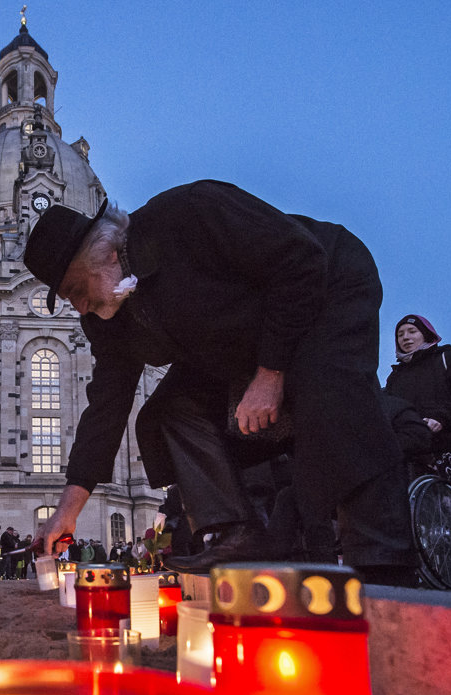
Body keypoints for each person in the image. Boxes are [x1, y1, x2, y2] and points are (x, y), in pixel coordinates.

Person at [25, 181, 415, 585]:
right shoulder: (106, 319)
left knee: (329, 391)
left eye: (75, 290)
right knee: (168, 412)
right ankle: (235, 533)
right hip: (242, 342)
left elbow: (299, 259)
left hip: (324, 283)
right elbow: (106, 405)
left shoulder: (191, 212)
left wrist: (269, 374)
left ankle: (380, 559)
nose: (80, 307)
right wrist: (66, 511)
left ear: (104, 251)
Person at [384, 315, 451, 455]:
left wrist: (441, 417)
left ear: (426, 334)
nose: (405, 337)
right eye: (400, 334)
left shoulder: (450, 359)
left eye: (412, 331)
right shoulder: (395, 377)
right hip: (412, 454)